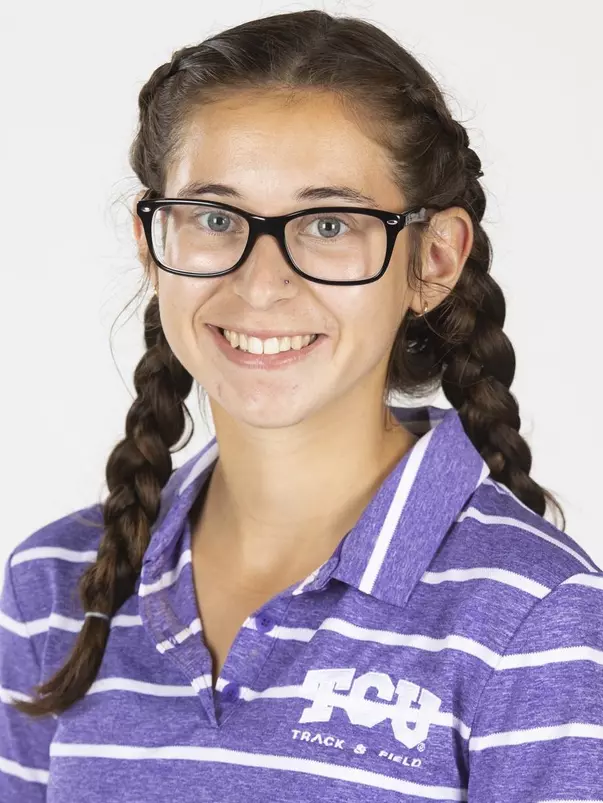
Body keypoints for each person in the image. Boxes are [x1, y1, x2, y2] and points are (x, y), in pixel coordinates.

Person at [1, 8, 601, 802]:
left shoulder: (539, 616)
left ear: (433, 258)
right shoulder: (54, 586)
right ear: (152, 245)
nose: (261, 284)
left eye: (327, 223)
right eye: (216, 218)